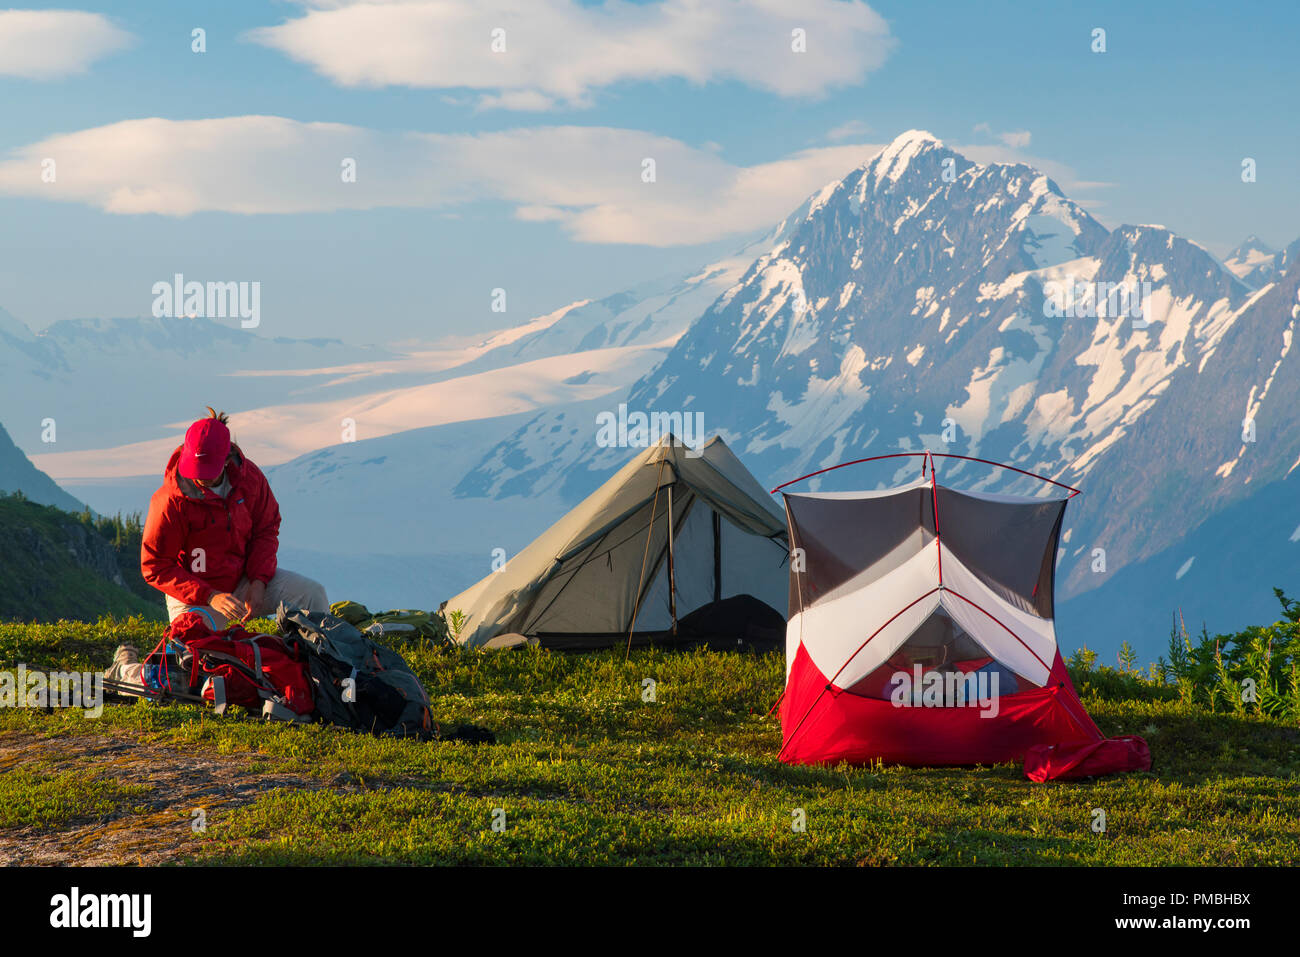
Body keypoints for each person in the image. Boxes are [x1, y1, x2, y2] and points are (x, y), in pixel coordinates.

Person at [139, 407, 328, 629]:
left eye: (207, 471)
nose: (200, 478)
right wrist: (210, 596)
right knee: (193, 648)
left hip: (244, 580)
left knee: (312, 594)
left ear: (227, 459)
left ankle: (318, 659)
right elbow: (156, 566)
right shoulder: (170, 500)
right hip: (195, 594)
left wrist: (258, 581)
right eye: (196, 470)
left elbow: (265, 529)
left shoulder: (250, 480)